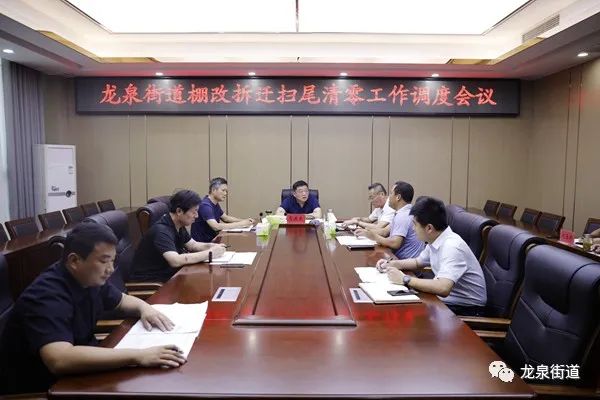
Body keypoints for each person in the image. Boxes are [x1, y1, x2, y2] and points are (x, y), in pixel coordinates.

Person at [0, 223, 187, 395]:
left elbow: (122, 300)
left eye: (113, 260)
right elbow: (60, 359)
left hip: (80, 375)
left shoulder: (88, 278)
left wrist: (145, 308)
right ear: (74, 261)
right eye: (104, 261)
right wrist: (139, 356)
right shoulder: (46, 295)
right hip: (46, 388)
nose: (111, 269)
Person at [376, 196, 487, 316]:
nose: (413, 228)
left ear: (429, 228)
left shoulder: (452, 247)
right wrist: (393, 264)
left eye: (415, 224)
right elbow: (418, 262)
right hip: (446, 301)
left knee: (404, 314)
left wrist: (405, 279)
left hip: (467, 310)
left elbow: (443, 288)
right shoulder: (436, 238)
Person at [130, 189, 226, 282]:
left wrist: (212, 246)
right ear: (179, 211)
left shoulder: (178, 225)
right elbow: (175, 261)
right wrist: (209, 253)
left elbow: (193, 245)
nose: (197, 216)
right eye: (194, 212)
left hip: (170, 275)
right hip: (152, 282)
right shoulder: (161, 231)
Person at [355, 181, 424, 259]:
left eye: (391, 193)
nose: (388, 197)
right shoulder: (405, 212)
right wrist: (366, 233)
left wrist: (374, 236)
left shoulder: (403, 216)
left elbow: (395, 243)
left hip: (405, 263)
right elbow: (384, 232)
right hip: (402, 259)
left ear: (398, 197)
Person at [191, 177, 254, 243]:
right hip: (202, 244)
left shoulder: (214, 203)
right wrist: (241, 224)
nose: (225, 193)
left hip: (212, 241)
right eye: (223, 190)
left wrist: (244, 221)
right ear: (213, 190)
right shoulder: (205, 205)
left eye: (226, 191)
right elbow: (216, 226)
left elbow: (226, 218)